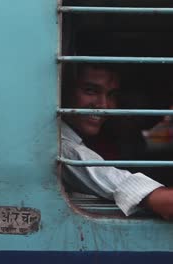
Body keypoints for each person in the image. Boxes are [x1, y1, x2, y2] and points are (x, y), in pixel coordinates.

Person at [61, 64, 173, 220]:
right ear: (62, 91)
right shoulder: (62, 146)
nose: (104, 105)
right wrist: (158, 197)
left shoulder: (97, 138)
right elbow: (108, 177)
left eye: (112, 95)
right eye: (91, 91)